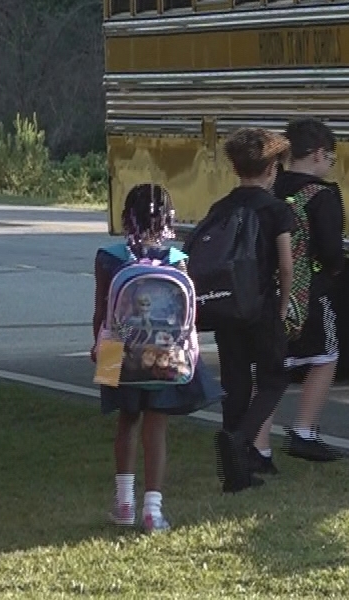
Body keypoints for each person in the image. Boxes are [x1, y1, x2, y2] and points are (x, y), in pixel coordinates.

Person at [92, 184, 219, 534]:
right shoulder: (178, 260)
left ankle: (123, 503)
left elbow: (102, 310)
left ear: (125, 216)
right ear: (169, 218)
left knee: (126, 423)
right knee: (156, 428)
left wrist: (98, 350)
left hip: (118, 352)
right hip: (166, 353)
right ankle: (153, 509)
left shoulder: (109, 256)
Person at [207, 128, 299, 492]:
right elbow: (286, 266)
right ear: (272, 168)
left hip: (226, 307)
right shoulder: (276, 210)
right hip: (260, 304)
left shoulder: (221, 207)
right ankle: (242, 440)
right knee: (274, 378)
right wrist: (282, 305)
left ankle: (236, 475)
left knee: (235, 385)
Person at [259, 118, 346, 463]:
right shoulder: (321, 196)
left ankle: (258, 444)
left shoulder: (268, 190)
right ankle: (304, 431)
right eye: (331, 158)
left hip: (267, 295)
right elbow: (331, 251)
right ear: (319, 154)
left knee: (270, 367)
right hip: (310, 293)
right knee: (325, 357)